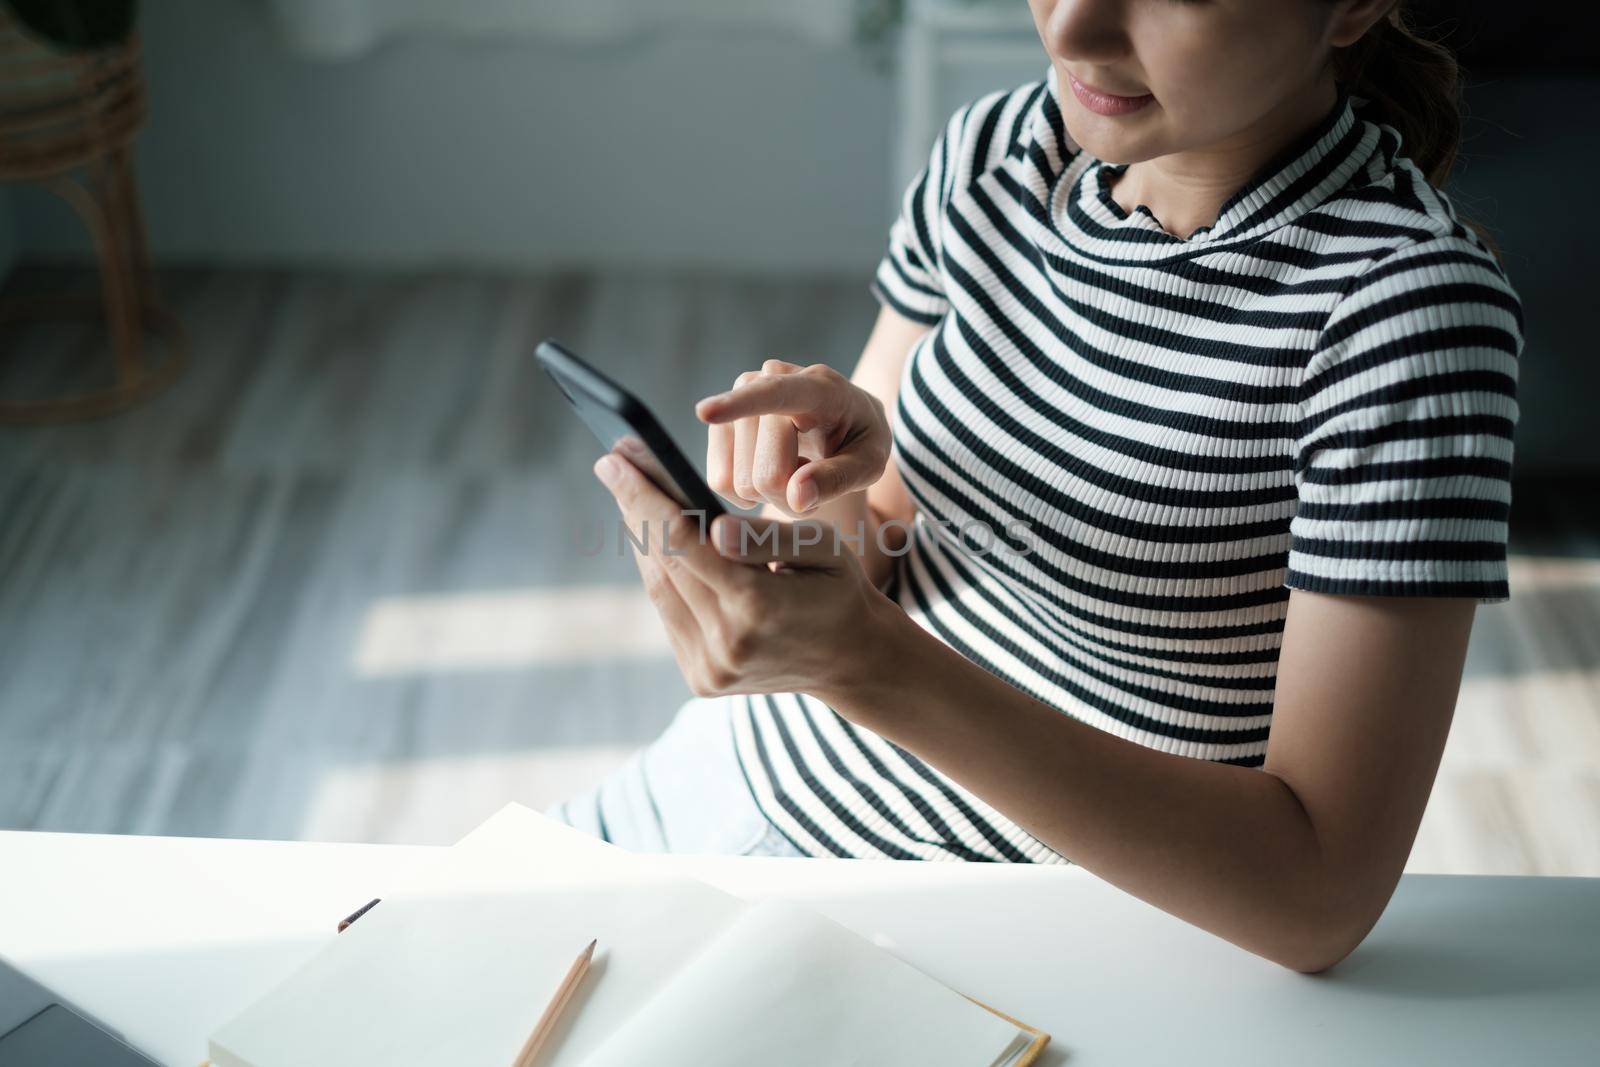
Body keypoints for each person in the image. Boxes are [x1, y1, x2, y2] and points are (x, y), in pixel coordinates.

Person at [546, 0, 1522, 973]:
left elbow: (1316, 896)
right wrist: (818, 481)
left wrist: (861, 663)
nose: (1069, 31)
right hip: (710, 784)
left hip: (960, 937)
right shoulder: (1001, 149)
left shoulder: (1406, 316)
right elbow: (880, 546)